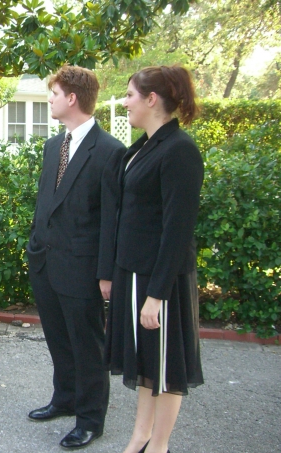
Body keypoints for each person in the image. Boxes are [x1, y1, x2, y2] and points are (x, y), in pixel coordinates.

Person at [26, 65, 126, 450]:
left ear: (71, 98)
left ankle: (90, 419)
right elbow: (46, 204)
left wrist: (106, 273)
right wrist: (35, 246)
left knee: (87, 347)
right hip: (45, 263)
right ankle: (64, 398)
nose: (49, 99)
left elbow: (112, 219)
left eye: (54, 94)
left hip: (83, 268)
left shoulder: (110, 151)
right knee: (58, 339)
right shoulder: (54, 146)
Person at [105, 65, 204, 453]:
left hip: (160, 281)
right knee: (147, 363)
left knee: (165, 367)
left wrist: (157, 295)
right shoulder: (144, 147)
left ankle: (159, 446)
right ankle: (140, 437)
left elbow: (177, 231)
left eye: (130, 95)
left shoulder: (180, 150)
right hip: (134, 274)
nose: (125, 102)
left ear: (151, 99)